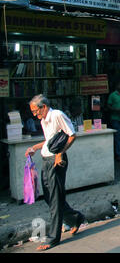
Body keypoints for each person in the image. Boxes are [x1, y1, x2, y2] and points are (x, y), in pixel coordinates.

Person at [24, 94, 85, 251]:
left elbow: (72, 135)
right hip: (47, 160)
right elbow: (50, 141)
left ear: (43, 107)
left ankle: (53, 238)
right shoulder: (44, 120)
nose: (34, 114)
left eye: (35, 110)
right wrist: (35, 148)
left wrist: (59, 154)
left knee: (55, 199)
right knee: (49, 196)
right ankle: (75, 218)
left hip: (57, 161)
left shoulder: (57, 115)